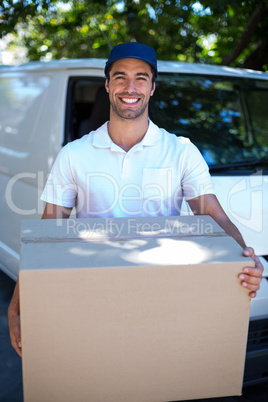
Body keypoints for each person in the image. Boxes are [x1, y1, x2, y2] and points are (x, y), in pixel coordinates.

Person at [8, 42, 263, 357]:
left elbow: (213, 215)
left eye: (141, 78)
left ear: (153, 87)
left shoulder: (181, 150)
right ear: (107, 85)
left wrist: (244, 259)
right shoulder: (74, 154)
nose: (130, 87)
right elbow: (48, 230)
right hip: (90, 291)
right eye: (120, 77)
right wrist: (18, 304)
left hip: (163, 291)